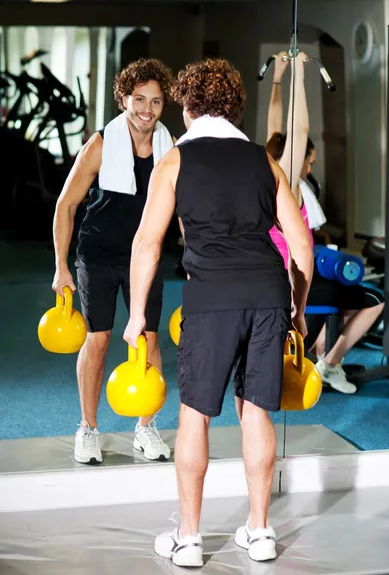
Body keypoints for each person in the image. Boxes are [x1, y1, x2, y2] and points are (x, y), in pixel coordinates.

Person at [124, 58, 314, 566]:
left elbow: (147, 243)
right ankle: (261, 531)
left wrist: (136, 316)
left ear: (187, 107)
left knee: (195, 416)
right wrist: (296, 308)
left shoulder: (176, 161)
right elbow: (301, 246)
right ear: (233, 107)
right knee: (256, 410)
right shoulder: (262, 161)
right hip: (268, 294)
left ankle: (188, 539)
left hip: (210, 299)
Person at [52, 58, 174, 464]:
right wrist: (61, 266)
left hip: (145, 256)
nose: (147, 110)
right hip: (99, 254)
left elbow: (182, 206)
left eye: (156, 102)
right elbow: (66, 206)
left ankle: (145, 428)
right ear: (124, 98)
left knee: (148, 340)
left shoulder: (168, 145)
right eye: (139, 99)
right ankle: (87, 428)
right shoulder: (101, 145)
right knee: (99, 339)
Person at [267, 52, 385, 394]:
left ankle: (322, 352)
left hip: (278, 273)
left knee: (344, 292)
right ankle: (330, 364)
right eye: (309, 160)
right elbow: (297, 129)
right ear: (297, 157)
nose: (309, 168)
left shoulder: (265, 168)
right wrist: (300, 76)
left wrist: (278, 77)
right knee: (374, 299)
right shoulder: (289, 184)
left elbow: (277, 127)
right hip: (291, 280)